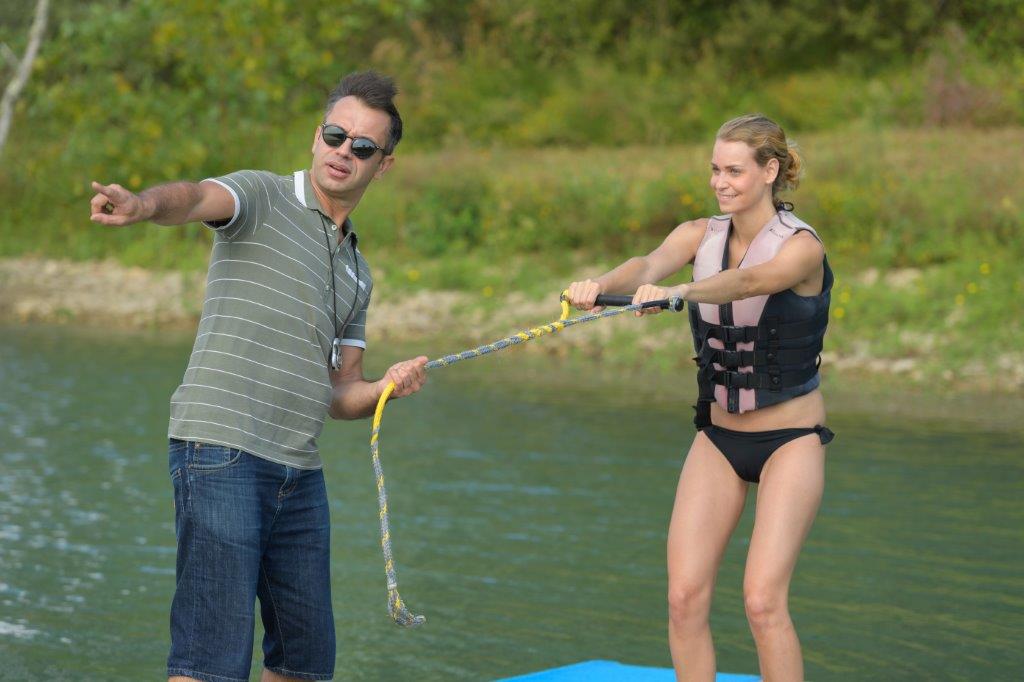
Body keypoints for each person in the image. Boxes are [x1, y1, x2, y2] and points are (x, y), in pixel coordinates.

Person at [89, 71, 428, 682]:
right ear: (315, 137)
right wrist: (142, 206)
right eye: (335, 134)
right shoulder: (261, 196)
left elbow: (339, 394)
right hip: (219, 450)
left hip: (298, 475)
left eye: (363, 147)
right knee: (211, 661)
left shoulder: (357, 272)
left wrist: (383, 389)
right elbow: (193, 198)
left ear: (385, 165)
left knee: (304, 664)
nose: (344, 152)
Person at [565, 113, 833, 682]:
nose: (721, 181)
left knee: (762, 602)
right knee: (684, 598)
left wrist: (679, 292)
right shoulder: (697, 236)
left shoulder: (803, 248)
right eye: (715, 169)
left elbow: (753, 281)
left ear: (770, 170)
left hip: (790, 441)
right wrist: (599, 285)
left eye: (734, 170)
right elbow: (646, 265)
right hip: (718, 439)